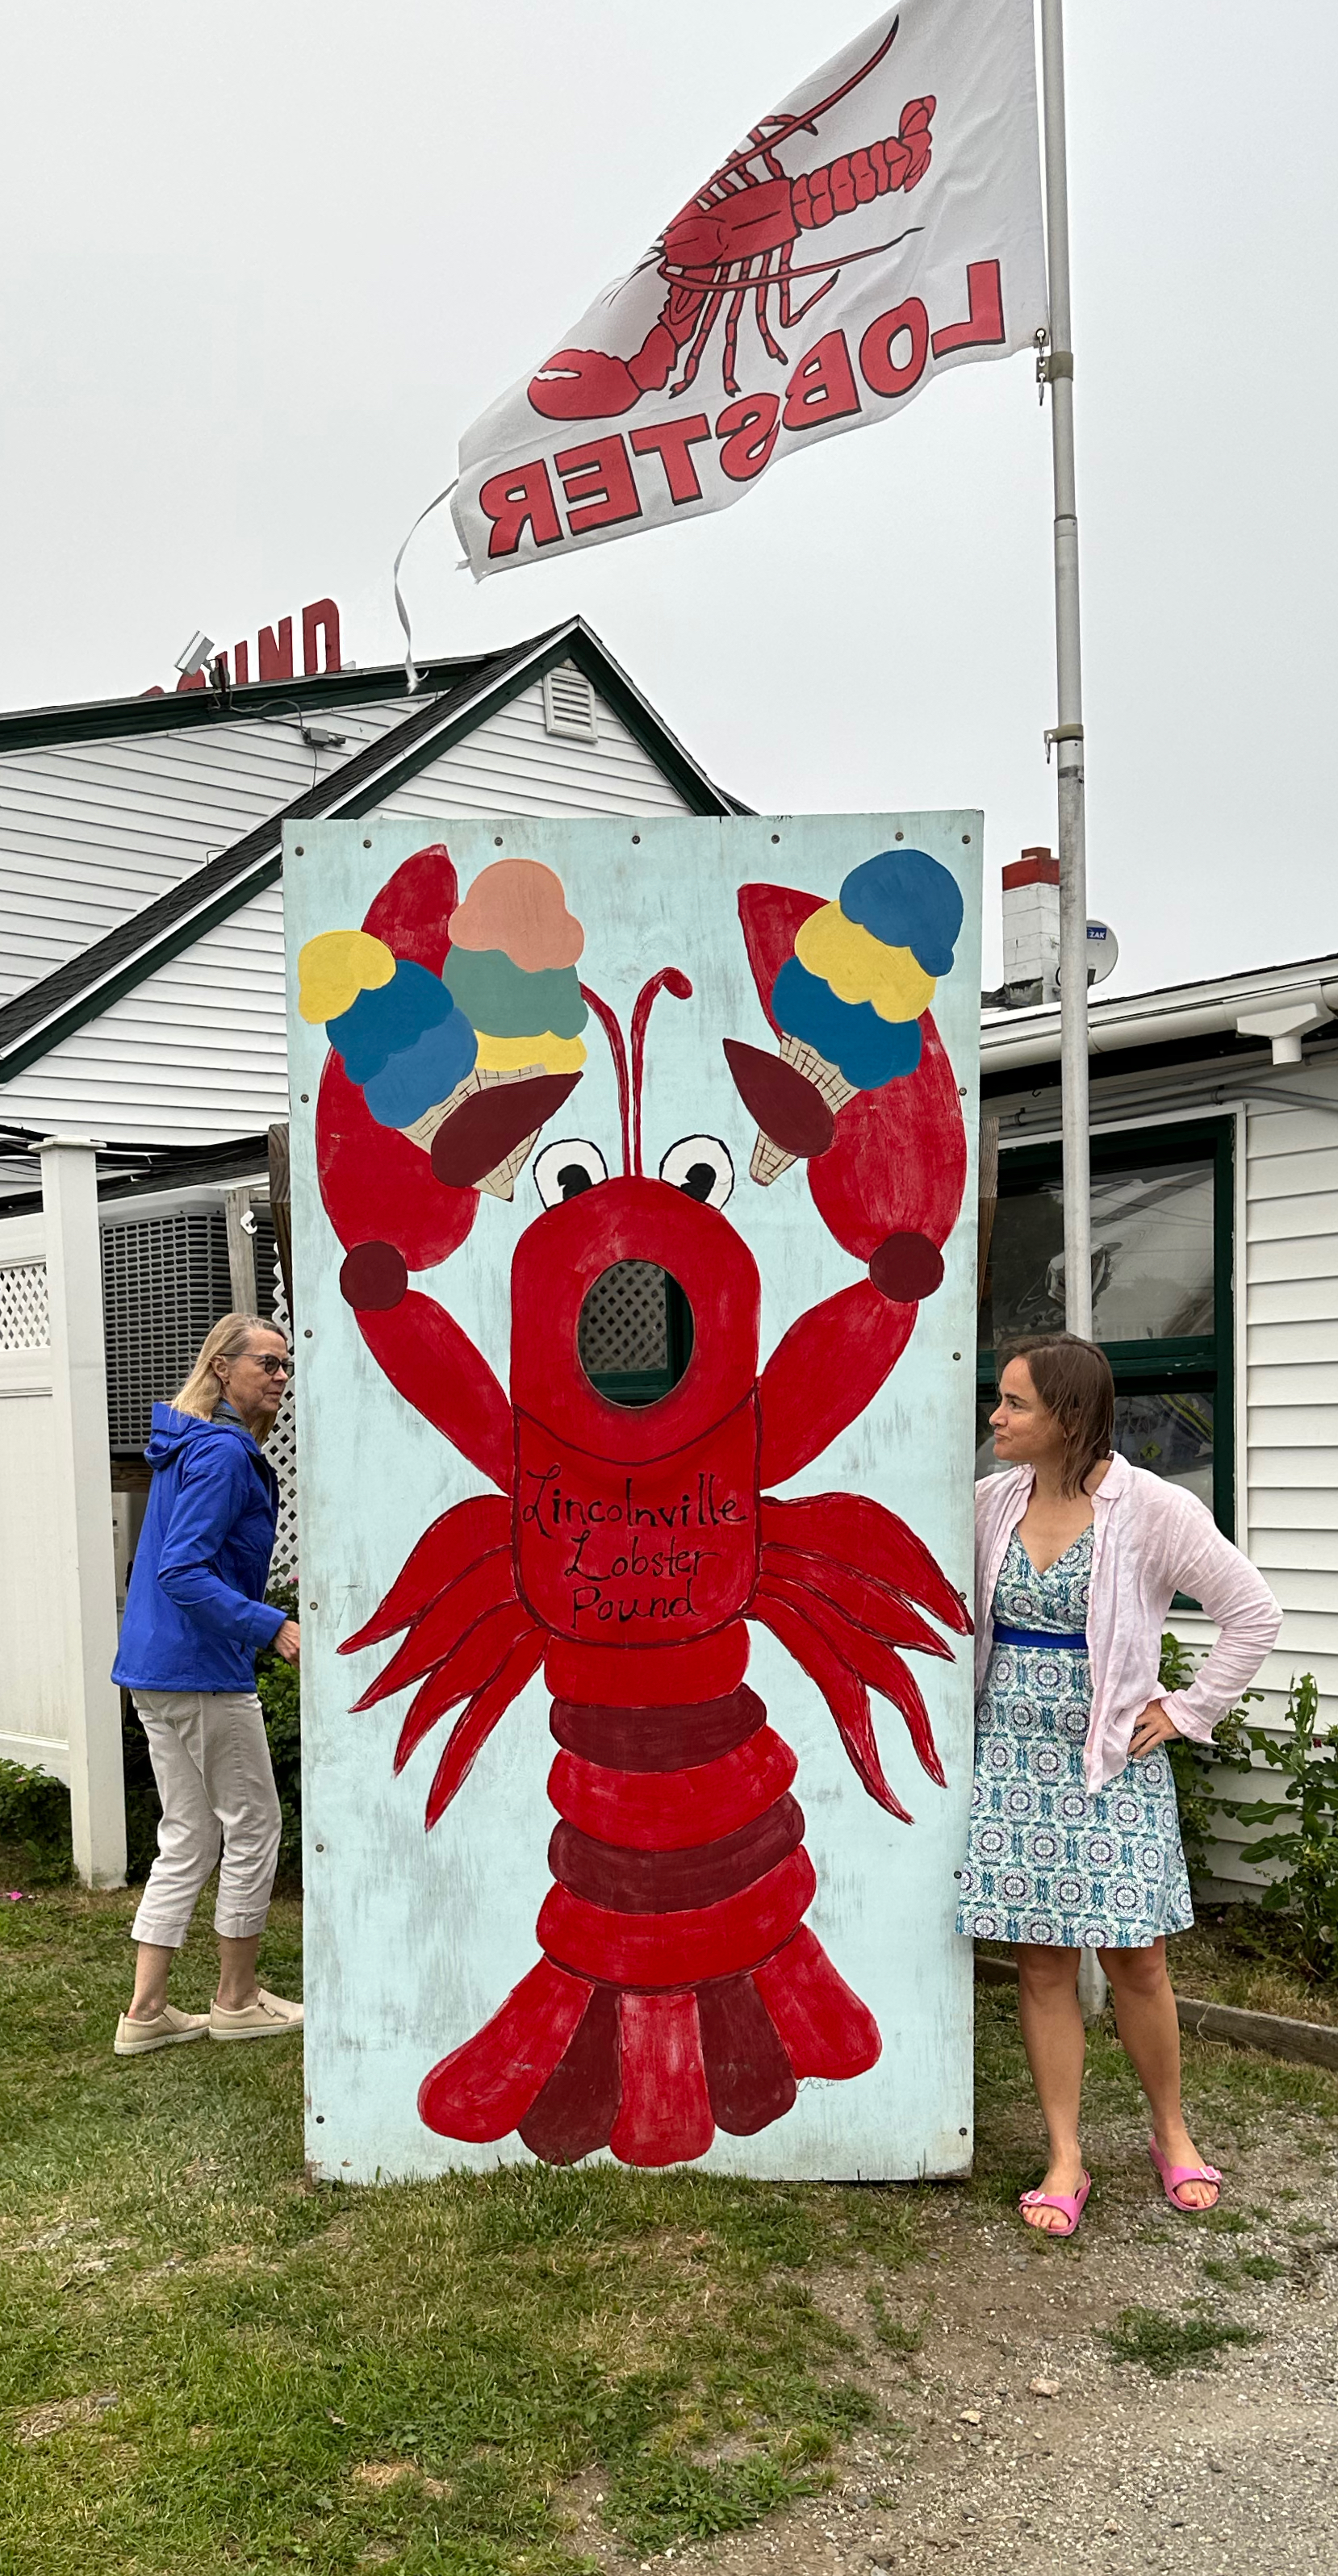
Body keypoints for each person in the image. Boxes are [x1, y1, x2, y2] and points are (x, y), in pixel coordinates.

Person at [957, 1333, 1280, 2234]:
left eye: (1014, 1403)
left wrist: (1186, 1709)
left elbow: (1252, 1612)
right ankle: (1064, 2155)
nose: (995, 1417)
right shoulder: (989, 1501)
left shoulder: (1154, 1509)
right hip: (1009, 1761)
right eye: (998, 1399)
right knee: (1040, 1960)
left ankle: (1170, 2133)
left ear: (1067, 1416)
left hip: (1108, 1762)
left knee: (1136, 1958)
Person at [111, 1313, 304, 2055]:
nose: (281, 1377)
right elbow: (182, 1571)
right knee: (254, 1824)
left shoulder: (190, 1441)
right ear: (223, 1367)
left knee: (189, 1833)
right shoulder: (222, 1452)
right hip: (200, 1671)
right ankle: (236, 1999)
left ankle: (146, 2011)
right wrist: (271, 1625)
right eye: (267, 1363)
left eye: (286, 1365)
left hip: (157, 1666)